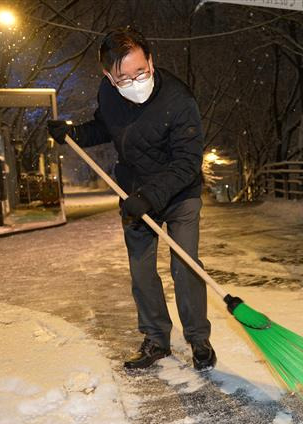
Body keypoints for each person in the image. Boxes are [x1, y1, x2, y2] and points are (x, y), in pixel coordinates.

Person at [47, 28, 216, 371]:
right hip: (133, 191)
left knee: (185, 267)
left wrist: (151, 197)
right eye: (124, 77)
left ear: (151, 60)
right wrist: (73, 133)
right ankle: (156, 338)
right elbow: (105, 126)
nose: (136, 81)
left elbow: (187, 162)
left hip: (179, 194)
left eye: (141, 71)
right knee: (141, 272)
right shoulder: (109, 95)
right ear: (109, 76)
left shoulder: (179, 101)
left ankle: (198, 339)